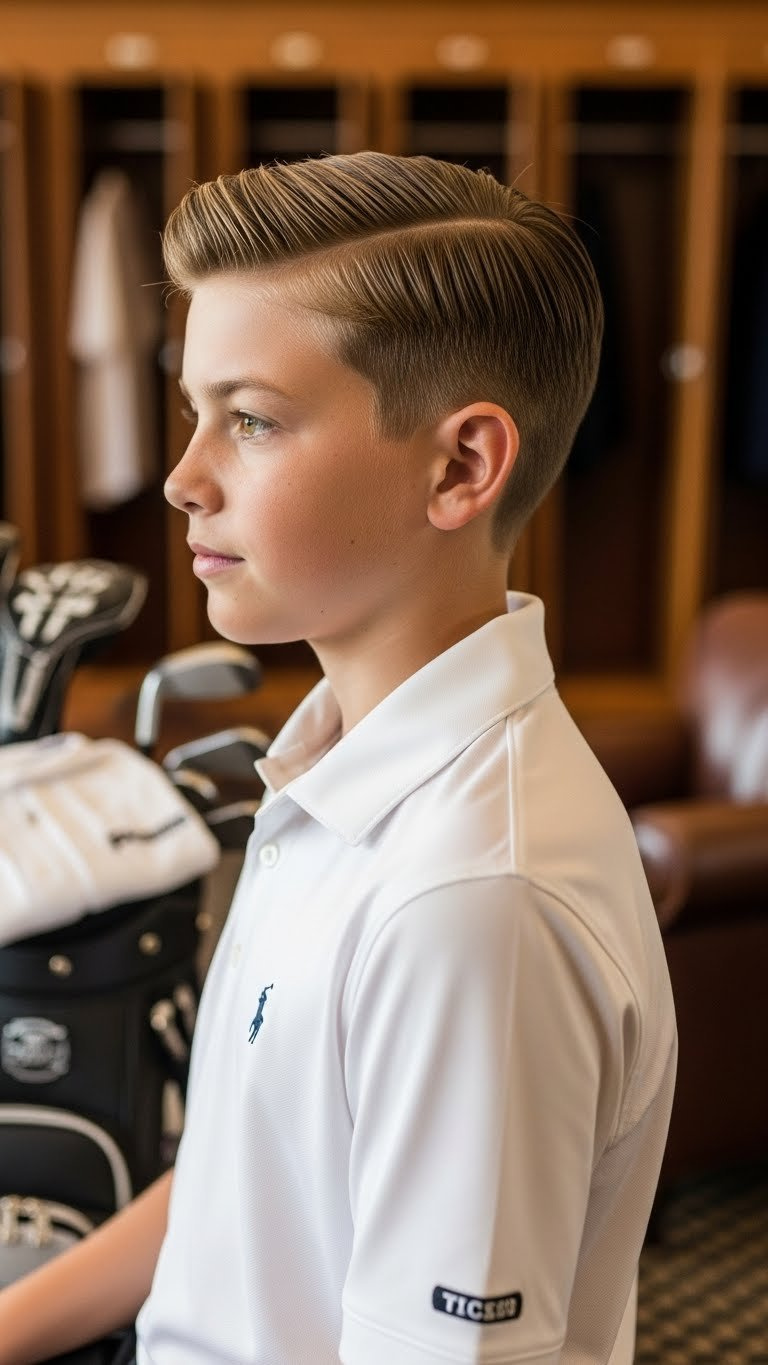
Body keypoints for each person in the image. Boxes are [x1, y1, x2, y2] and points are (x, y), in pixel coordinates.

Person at [0, 151, 676, 1365]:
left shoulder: (472, 901)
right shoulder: (337, 767)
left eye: (251, 420)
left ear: (461, 466)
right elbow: (242, 1182)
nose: (181, 478)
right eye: (193, 412)